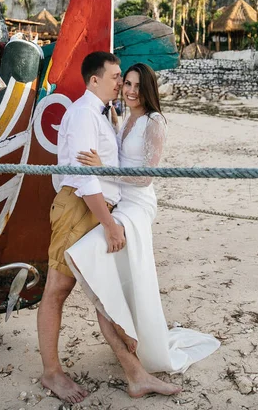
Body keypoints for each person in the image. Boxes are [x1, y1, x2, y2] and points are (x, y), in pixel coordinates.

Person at [37, 53, 181, 405]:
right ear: (95, 80)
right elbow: (86, 179)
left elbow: (121, 168)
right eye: (118, 77)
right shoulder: (86, 114)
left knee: (101, 288)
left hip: (101, 207)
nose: (122, 85)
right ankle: (52, 371)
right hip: (82, 208)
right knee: (58, 288)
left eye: (127, 80)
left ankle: (135, 371)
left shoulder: (106, 115)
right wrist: (110, 225)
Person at [66, 63, 220, 381]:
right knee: (121, 269)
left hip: (137, 203)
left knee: (94, 250)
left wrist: (104, 169)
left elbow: (146, 176)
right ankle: (128, 333)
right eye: (128, 84)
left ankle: (137, 339)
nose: (131, 91)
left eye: (138, 86)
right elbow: (108, 150)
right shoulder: (121, 113)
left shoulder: (155, 121)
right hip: (118, 198)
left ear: (148, 89)